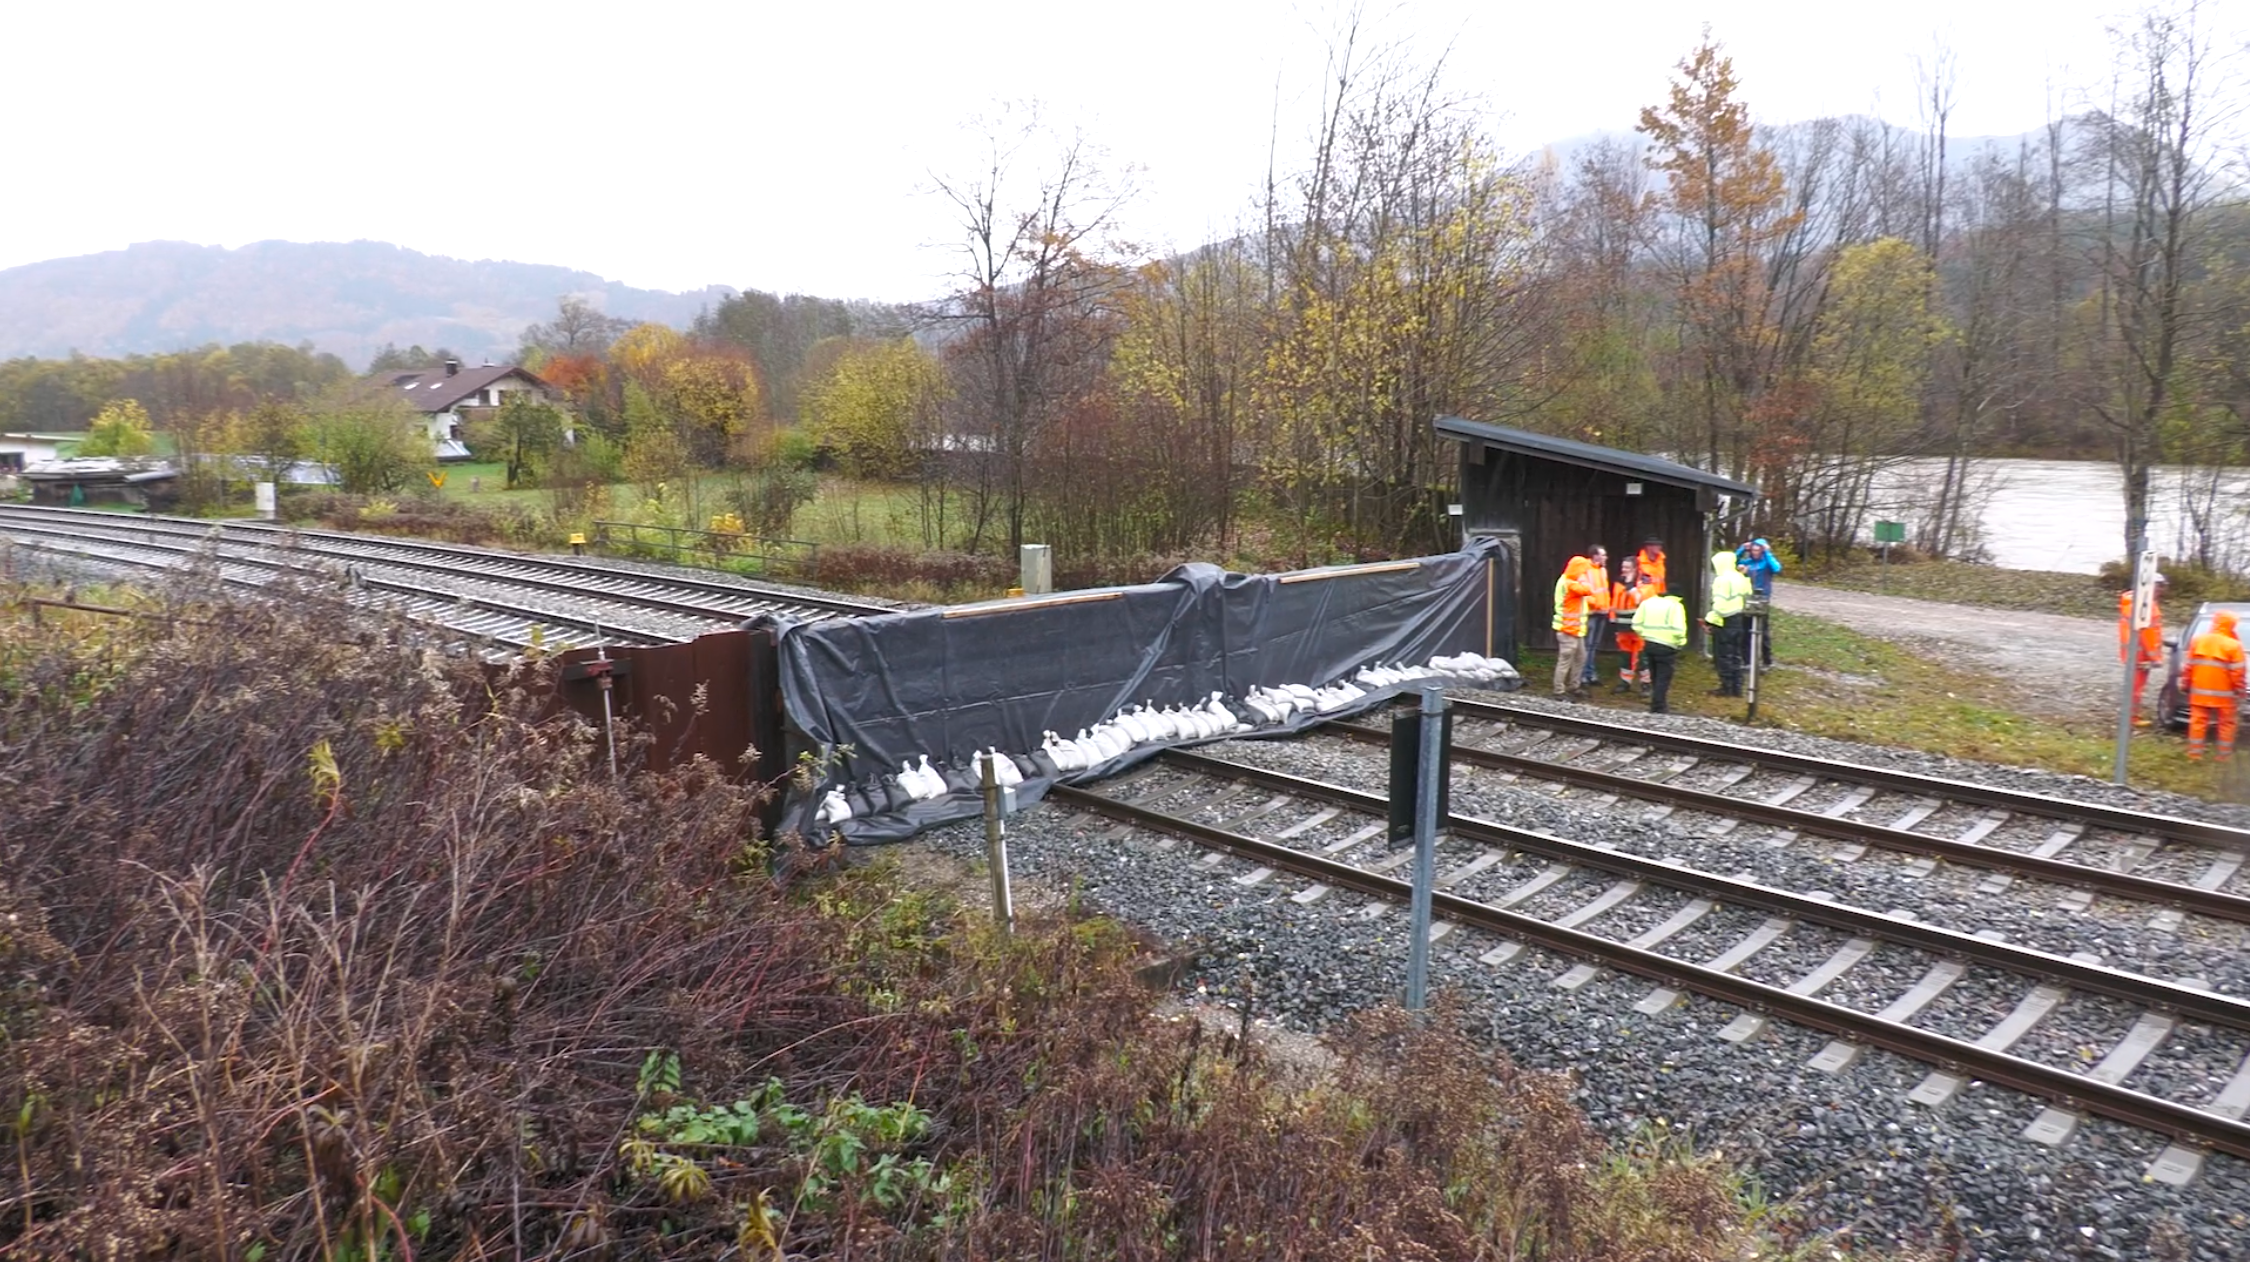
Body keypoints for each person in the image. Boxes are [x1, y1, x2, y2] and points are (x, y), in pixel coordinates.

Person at [2183, 610, 2246, 761]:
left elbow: (2188, 667)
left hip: (2199, 692)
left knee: (2198, 722)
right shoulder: (2234, 645)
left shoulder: (2198, 641)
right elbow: (2238, 673)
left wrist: (2186, 684)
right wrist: (2240, 690)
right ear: (2231, 625)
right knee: (2226, 723)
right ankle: (2223, 755)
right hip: (2225, 695)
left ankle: (2194, 754)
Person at [1551, 546, 1610, 700]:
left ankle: (1574, 686)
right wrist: (1585, 580)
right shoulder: (1569, 583)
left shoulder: (1568, 580)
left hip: (1575, 630)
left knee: (1580, 657)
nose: (1585, 573)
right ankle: (1559, 691)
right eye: (1583, 570)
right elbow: (1586, 590)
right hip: (1567, 630)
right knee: (1565, 661)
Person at [2118, 574, 2168, 727]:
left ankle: (2130, 716)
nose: (2161, 590)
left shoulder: (2131, 602)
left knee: (2132, 687)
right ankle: (2131, 719)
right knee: (2135, 689)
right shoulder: (2147, 607)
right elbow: (2149, 635)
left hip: (2133, 654)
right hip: (2141, 656)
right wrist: (2155, 659)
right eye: (2159, 586)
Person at [1634, 585, 1689, 713]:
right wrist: (1681, 642)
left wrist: (1645, 635)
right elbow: (1678, 629)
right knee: (1663, 677)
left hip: (1649, 644)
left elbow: (1636, 624)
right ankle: (1659, 706)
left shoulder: (1648, 603)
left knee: (1654, 674)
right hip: (1667, 646)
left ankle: (1657, 702)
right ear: (1678, 597)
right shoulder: (1676, 606)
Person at [1705, 549, 1753, 697]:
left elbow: (1719, 606)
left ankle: (1726, 687)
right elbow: (1748, 592)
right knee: (1736, 655)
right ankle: (1737, 688)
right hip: (1738, 619)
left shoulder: (1722, 580)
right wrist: (1745, 575)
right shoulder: (1739, 577)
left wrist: (1709, 620)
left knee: (1723, 656)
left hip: (1724, 622)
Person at [1736, 537, 1782, 669]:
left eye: (1758, 550)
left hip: (1763, 599)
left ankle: (1767, 661)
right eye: (1753, 550)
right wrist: (1741, 549)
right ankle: (1747, 661)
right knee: (1746, 631)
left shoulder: (1767, 562)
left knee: (1763, 631)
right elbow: (1732, 562)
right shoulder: (1748, 562)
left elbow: (1777, 568)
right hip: (1748, 598)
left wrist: (1767, 552)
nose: (1755, 552)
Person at [1608, 554, 1650, 692]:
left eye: (1627, 567)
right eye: (1623, 566)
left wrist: (1630, 587)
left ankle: (1646, 684)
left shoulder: (1645, 580)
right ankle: (1625, 682)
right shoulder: (1619, 581)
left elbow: (1640, 599)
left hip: (1638, 626)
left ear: (1635, 568)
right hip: (1622, 625)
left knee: (1642, 656)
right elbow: (1615, 601)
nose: (1624, 569)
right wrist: (1613, 619)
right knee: (1625, 655)